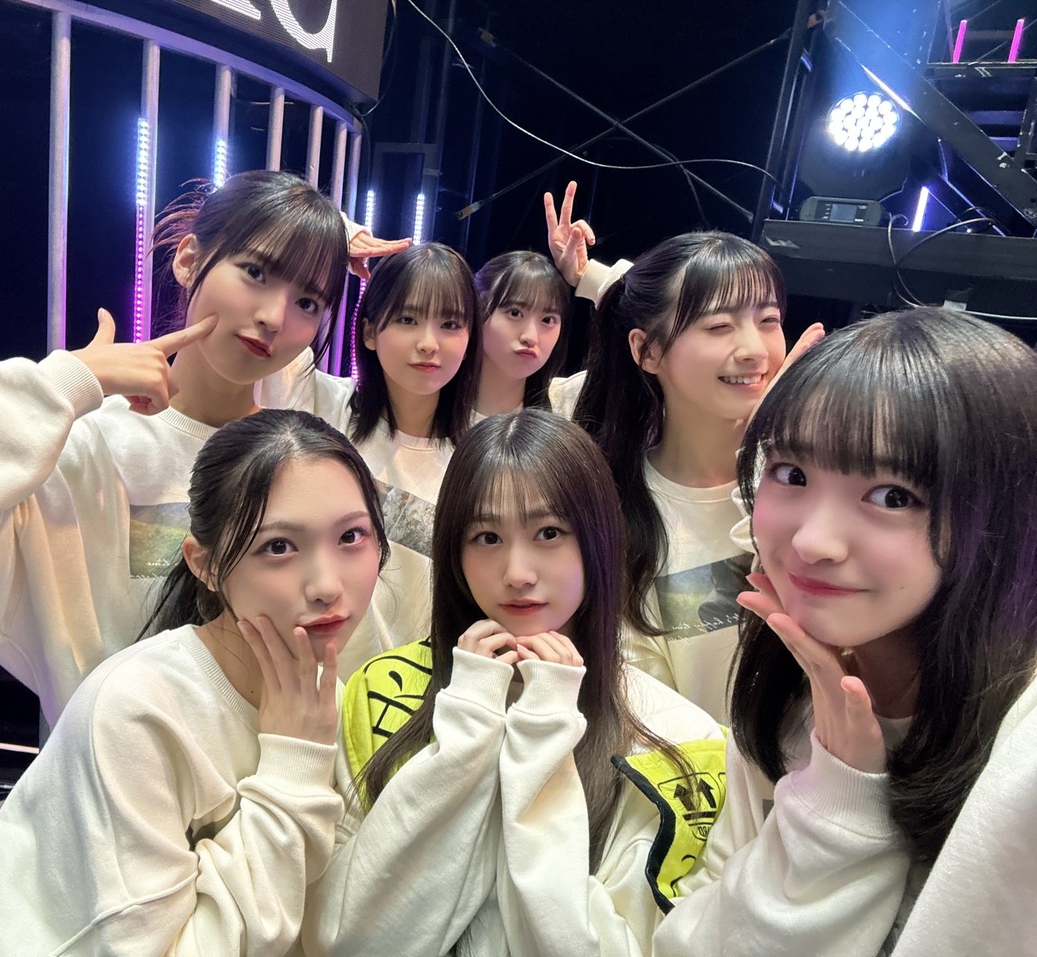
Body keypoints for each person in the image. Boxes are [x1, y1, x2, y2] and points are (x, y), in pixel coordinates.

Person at [0, 170, 402, 724]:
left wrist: (321, 228)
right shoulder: (86, 450)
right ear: (188, 260)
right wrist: (66, 383)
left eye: (308, 303)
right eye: (254, 272)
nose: (274, 317)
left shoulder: (312, 437)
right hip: (125, 773)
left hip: (297, 764)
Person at [0, 409, 389, 956]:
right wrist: (292, 769)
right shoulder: (136, 709)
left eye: (351, 536)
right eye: (279, 546)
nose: (327, 585)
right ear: (205, 565)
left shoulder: (328, 696)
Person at [653, 307, 1037, 957]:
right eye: (793, 473)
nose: (812, 541)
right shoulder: (793, 689)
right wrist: (837, 789)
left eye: (892, 496)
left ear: (1002, 515)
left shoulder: (1022, 755)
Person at [304, 410, 728, 957]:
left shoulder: (676, 739)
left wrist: (546, 730)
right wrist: (466, 730)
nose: (517, 573)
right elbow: (350, 942)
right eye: (487, 537)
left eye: (549, 533)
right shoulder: (384, 691)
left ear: (598, 540)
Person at [553, 200, 822, 721]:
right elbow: (641, 709)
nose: (755, 349)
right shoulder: (610, 507)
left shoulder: (819, 493)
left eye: (768, 320)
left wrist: (767, 451)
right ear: (648, 352)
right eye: (719, 326)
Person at [263, 242, 484, 653]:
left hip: (423, 683)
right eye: (407, 319)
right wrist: (326, 244)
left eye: (451, 324)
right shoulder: (320, 405)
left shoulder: (483, 453)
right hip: (311, 673)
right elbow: (272, 329)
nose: (429, 342)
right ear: (369, 331)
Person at [471, 250, 585, 419]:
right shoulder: (433, 410)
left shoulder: (567, 403)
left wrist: (585, 275)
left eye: (547, 320)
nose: (531, 337)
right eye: (515, 313)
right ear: (478, 310)